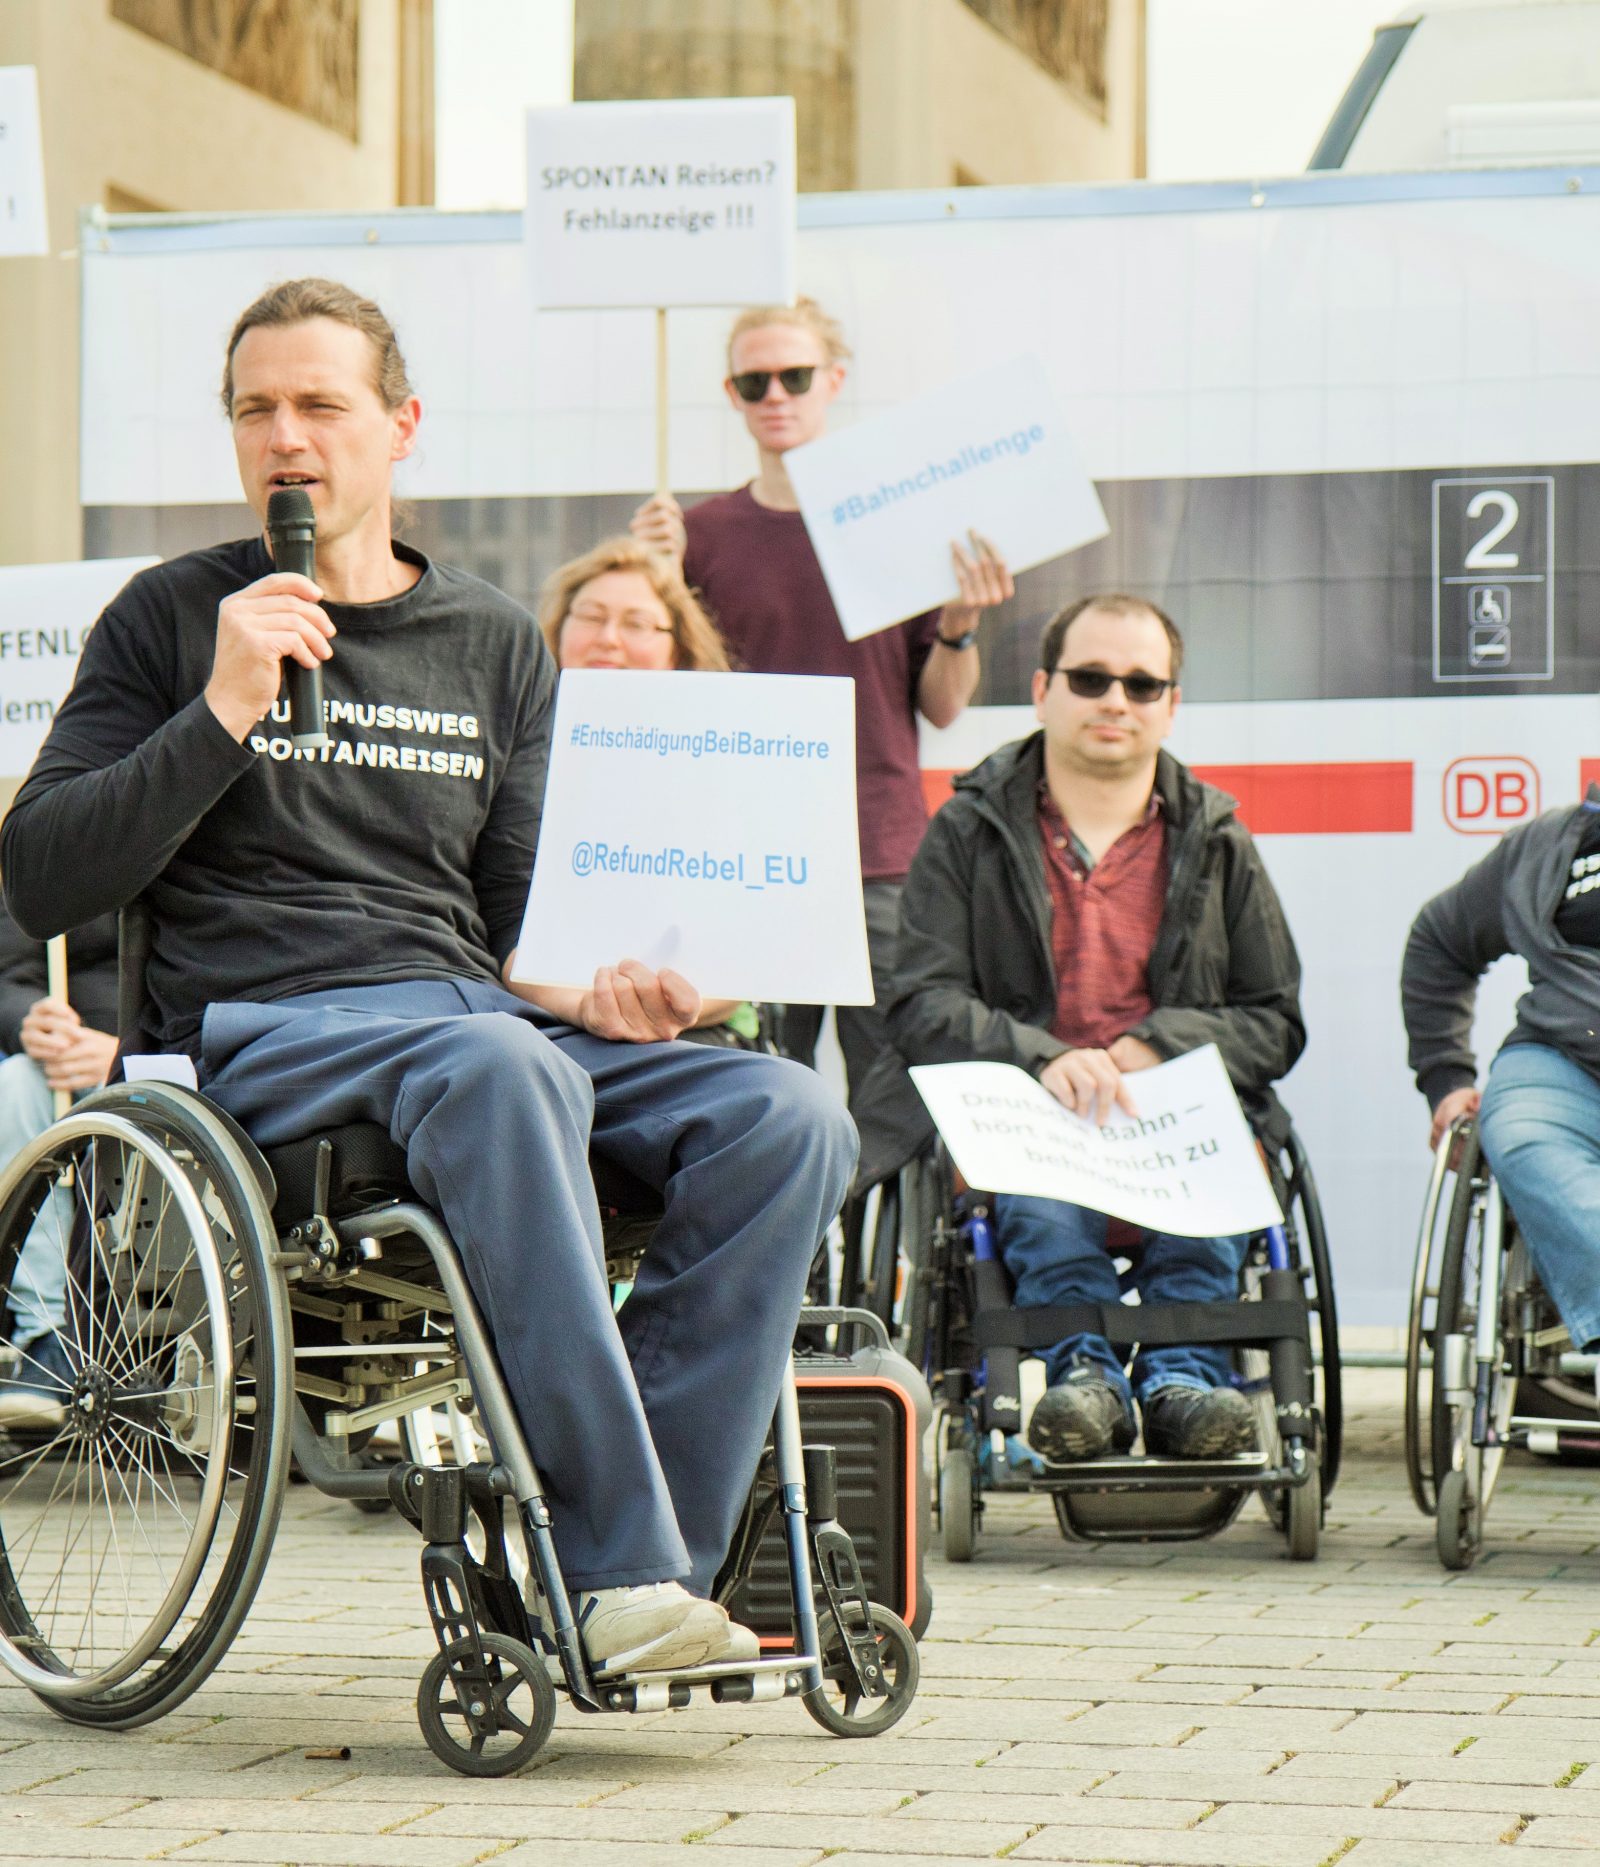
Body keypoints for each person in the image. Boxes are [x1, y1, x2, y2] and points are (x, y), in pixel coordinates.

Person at [1, 277, 856, 1676]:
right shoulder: (171, 619)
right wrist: (223, 709)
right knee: (503, 1065)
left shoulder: (493, 640)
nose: (288, 436)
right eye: (256, 409)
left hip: (474, 1015)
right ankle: (615, 1562)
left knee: (786, 1115)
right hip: (267, 1035)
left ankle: (653, 1575)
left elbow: (520, 916)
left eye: (321, 405)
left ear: (400, 428)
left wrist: (614, 991)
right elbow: (39, 871)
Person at [885, 594, 1305, 1462]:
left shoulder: (1219, 838)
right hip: (1028, 1113)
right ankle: (1086, 1381)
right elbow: (920, 1002)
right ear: (1043, 691)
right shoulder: (967, 830)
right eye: (1091, 678)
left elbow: (1275, 1018)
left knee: (1216, 1193)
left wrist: (1159, 1045)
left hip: (1175, 1118)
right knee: (1039, 1205)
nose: (1117, 699)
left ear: (1171, 705)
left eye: (1143, 683)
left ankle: (1185, 1380)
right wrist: (1046, 1059)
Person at [632, 296, 1014, 1118]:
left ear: (833, 381)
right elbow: (663, 703)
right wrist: (654, 582)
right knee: (763, 1095)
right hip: (749, 860)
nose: (776, 394)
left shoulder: (896, 523)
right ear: (732, 393)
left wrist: (959, 624)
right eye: (754, 379)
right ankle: (798, 1252)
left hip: (879, 854)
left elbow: (942, 709)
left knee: (894, 1097)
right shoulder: (696, 536)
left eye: (795, 375)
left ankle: (879, 1247)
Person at [1403, 788, 1600, 1394]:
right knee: (1515, 1133)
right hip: (1561, 1065)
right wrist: (1446, 1079)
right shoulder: (1552, 846)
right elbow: (1439, 939)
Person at [537, 534, 757, 1046]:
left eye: (636, 623)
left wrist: (664, 1010)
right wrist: (581, 1004)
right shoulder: (514, 747)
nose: (608, 638)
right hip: (543, 1024)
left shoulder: (726, 766)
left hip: (697, 1032)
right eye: (590, 616)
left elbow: (748, 951)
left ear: (677, 646)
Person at [0, 908, 119, 1426]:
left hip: (172, 1050)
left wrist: (125, 1054)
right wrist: (30, 1020)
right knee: (18, 1086)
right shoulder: (60, 846)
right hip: (66, 1063)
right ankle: (45, 1339)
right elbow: (11, 976)